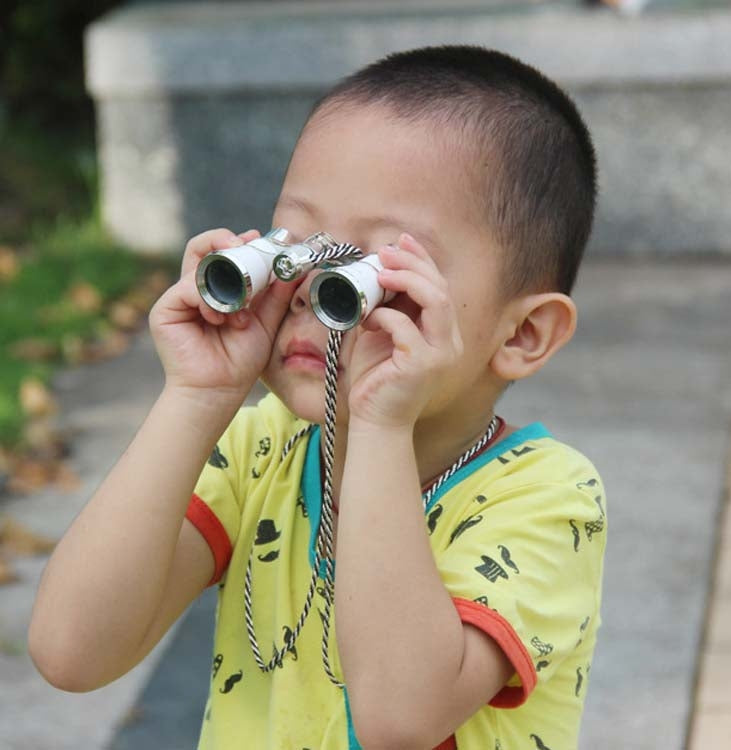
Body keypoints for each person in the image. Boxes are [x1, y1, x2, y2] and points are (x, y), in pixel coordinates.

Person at [29, 45, 606, 750]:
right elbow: (72, 651)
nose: (310, 289)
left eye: (373, 268)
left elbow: (401, 719)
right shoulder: (258, 452)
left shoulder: (549, 500)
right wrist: (195, 395)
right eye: (295, 246)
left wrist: (380, 428)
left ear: (522, 334)